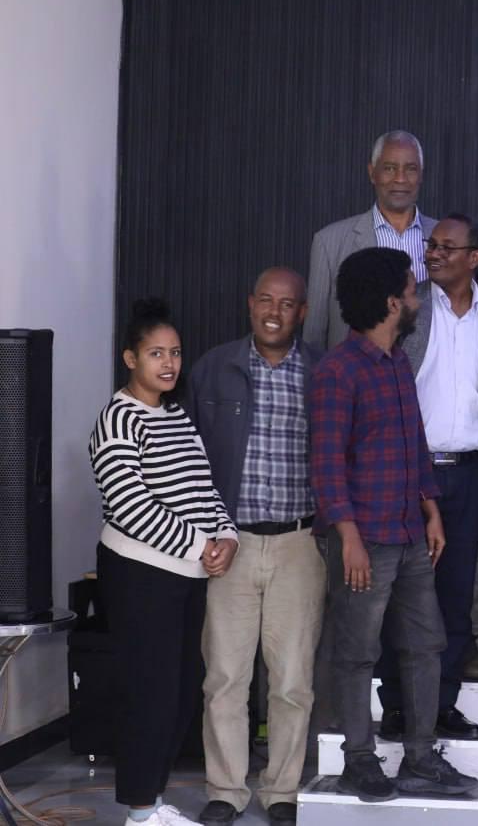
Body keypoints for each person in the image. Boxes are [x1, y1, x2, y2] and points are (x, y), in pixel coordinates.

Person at [309, 247, 475, 802]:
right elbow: (326, 465)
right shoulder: (338, 371)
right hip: (366, 541)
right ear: (389, 302)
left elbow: (414, 445)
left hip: (407, 533)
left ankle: (421, 757)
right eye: (409, 290)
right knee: (358, 652)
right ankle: (359, 761)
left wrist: (430, 507)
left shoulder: (398, 361)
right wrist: (349, 539)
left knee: (426, 644)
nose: (416, 299)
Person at [90, 298, 238, 826]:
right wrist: (200, 547)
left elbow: (204, 487)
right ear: (131, 358)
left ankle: (151, 803)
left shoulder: (176, 416)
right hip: (140, 576)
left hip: (185, 575)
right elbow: (130, 506)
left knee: (177, 694)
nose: (169, 363)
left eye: (174, 352)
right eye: (156, 353)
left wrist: (226, 536)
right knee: (148, 695)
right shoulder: (117, 419)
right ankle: (139, 812)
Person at [186, 269, 324, 826]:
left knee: (292, 680)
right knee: (225, 676)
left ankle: (281, 790)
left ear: (303, 312)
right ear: (249, 304)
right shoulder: (213, 368)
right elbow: (186, 461)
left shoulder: (321, 371)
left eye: (286, 304)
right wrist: (202, 533)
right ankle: (226, 789)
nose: (274, 312)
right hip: (230, 543)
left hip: (300, 542)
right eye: (265, 300)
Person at [376, 215, 478, 740]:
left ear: (475, 258)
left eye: (447, 248)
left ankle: (441, 704)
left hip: (471, 473)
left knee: (455, 596)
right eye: (431, 245)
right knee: (401, 592)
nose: (433, 253)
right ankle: (397, 705)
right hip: (411, 470)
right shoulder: (408, 307)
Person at [304, 130, 436, 349]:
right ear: (372, 173)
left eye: (410, 168)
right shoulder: (329, 243)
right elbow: (314, 338)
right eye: (389, 168)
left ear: (421, 175)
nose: (400, 178)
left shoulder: (445, 240)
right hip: (356, 371)